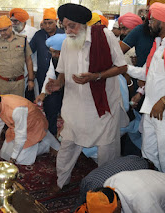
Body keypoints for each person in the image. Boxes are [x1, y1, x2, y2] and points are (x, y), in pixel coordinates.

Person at [46, 3, 128, 191]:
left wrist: (96, 77)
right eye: (65, 26)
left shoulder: (104, 36)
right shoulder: (67, 42)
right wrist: (58, 84)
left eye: (72, 26)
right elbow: (63, 72)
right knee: (67, 144)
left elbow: (122, 67)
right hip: (75, 106)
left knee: (107, 149)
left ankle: (107, 189)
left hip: (103, 106)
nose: (68, 31)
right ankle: (61, 182)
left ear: (84, 24)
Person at [125, 2, 165, 172]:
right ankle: (153, 185)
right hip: (150, 108)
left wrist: (163, 101)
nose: (149, 23)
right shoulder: (158, 45)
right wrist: (123, 67)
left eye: (152, 19)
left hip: (161, 109)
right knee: (148, 151)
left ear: (162, 22)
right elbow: (147, 74)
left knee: (163, 153)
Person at [0, 91, 60, 165]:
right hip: (17, 127)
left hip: (34, 127)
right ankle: (43, 139)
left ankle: (46, 146)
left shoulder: (16, 110)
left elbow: (21, 136)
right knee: (4, 154)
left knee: (19, 160)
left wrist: (13, 159)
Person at [74, 155, 153, 211]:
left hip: (89, 179)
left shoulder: (133, 157)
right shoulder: (141, 174)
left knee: (84, 203)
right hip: (98, 185)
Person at [0, 16, 34, 97]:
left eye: (5, 30)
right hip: (2, 83)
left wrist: (31, 80)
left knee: (17, 107)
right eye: (0, 31)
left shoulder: (22, 40)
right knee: (3, 108)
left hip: (19, 83)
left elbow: (29, 60)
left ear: (11, 27)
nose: (2, 33)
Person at [35, 33, 66, 136]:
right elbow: (51, 74)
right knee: (49, 104)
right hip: (59, 86)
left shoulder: (76, 58)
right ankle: (52, 137)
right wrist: (43, 93)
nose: (54, 55)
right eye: (51, 52)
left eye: (57, 52)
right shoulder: (55, 58)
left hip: (74, 90)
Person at [29, 8, 64, 96]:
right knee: (43, 96)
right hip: (42, 73)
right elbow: (29, 51)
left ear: (56, 22)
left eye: (50, 23)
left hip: (60, 74)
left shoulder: (63, 35)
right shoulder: (38, 35)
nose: (47, 26)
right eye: (45, 23)